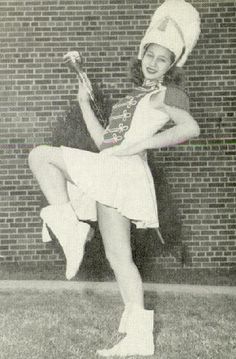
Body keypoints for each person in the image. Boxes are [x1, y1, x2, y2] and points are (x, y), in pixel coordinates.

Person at [28, 0, 201, 356]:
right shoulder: (132, 98)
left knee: (41, 155)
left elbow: (190, 128)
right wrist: (83, 103)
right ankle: (139, 337)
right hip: (112, 166)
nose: (153, 63)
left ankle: (72, 227)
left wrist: (141, 144)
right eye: (150, 55)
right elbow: (103, 142)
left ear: (171, 66)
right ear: (142, 56)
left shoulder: (167, 94)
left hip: (125, 172)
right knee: (118, 256)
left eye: (162, 59)